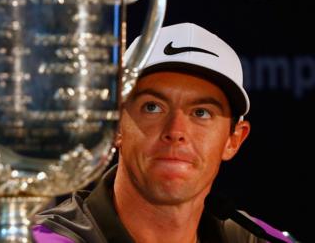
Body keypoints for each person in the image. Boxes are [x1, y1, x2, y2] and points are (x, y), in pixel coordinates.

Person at [31, 23, 295, 243]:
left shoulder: (258, 239)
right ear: (114, 125)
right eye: (152, 107)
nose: (176, 131)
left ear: (233, 140)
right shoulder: (45, 239)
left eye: (201, 113)